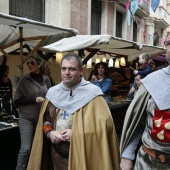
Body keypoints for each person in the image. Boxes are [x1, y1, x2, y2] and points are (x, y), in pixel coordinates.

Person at [27, 53, 120, 170]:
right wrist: (50, 133)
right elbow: (46, 120)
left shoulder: (93, 94)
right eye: (64, 69)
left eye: (72, 69)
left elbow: (104, 128)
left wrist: (77, 134)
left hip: (84, 154)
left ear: (80, 71)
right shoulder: (52, 93)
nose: (67, 73)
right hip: (57, 156)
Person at [120, 32, 170, 170]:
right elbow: (137, 122)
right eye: (169, 43)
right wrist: (127, 155)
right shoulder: (150, 82)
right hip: (148, 163)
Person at [14, 54, 51, 170]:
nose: (29, 65)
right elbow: (16, 101)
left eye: (32, 63)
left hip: (41, 118)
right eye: (28, 63)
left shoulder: (46, 79)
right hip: (26, 117)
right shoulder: (24, 80)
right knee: (26, 148)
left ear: (39, 65)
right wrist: (34, 99)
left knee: (39, 146)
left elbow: (50, 95)